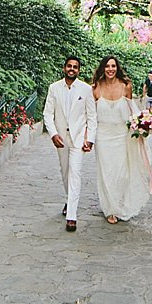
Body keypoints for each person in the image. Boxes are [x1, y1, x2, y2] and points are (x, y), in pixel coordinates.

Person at [92, 55, 152, 224]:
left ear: (117, 68)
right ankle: (110, 209)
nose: (110, 69)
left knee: (123, 173)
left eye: (113, 66)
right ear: (103, 68)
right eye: (107, 66)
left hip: (121, 135)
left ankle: (119, 202)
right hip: (103, 136)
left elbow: (132, 111)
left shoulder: (126, 86)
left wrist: (142, 125)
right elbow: (91, 115)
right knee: (106, 173)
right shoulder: (95, 88)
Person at [43, 55, 97, 232]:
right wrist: (53, 134)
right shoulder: (54, 88)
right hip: (61, 138)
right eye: (69, 66)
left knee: (76, 173)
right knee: (65, 172)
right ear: (64, 68)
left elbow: (92, 116)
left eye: (75, 67)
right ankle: (69, 200)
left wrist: (90, 139)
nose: (72, 69)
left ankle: (71, 216)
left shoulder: (86, 89)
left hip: (78, 138)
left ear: (79, 70)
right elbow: (47, 114)